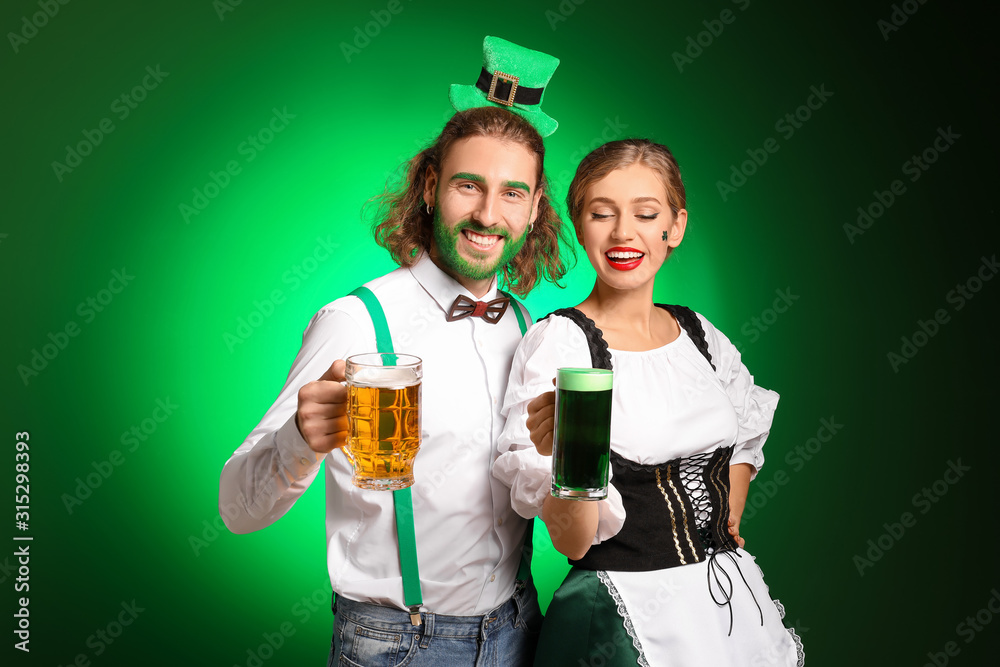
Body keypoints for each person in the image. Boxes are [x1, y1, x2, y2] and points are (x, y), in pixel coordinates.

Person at [220, 36, 571, 666]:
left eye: (512, 193)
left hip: (522, 629)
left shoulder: (526, 326)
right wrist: (301, 438)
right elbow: (236, 508)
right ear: (432, 187)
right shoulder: (356, 321)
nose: (488, 215)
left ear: (535, 207)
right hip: (399, 647)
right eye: (469, 186)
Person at [493, 139, 805, 666]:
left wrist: (724, 516)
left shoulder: (698, 333)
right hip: (620, 612)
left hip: (725, 602)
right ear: (579, 225)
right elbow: (573, 543)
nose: (623, 233)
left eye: (645, 213)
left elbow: (745, 425)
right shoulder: (563, 344)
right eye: (601, 214)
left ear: (675, 227)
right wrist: (570, 458)